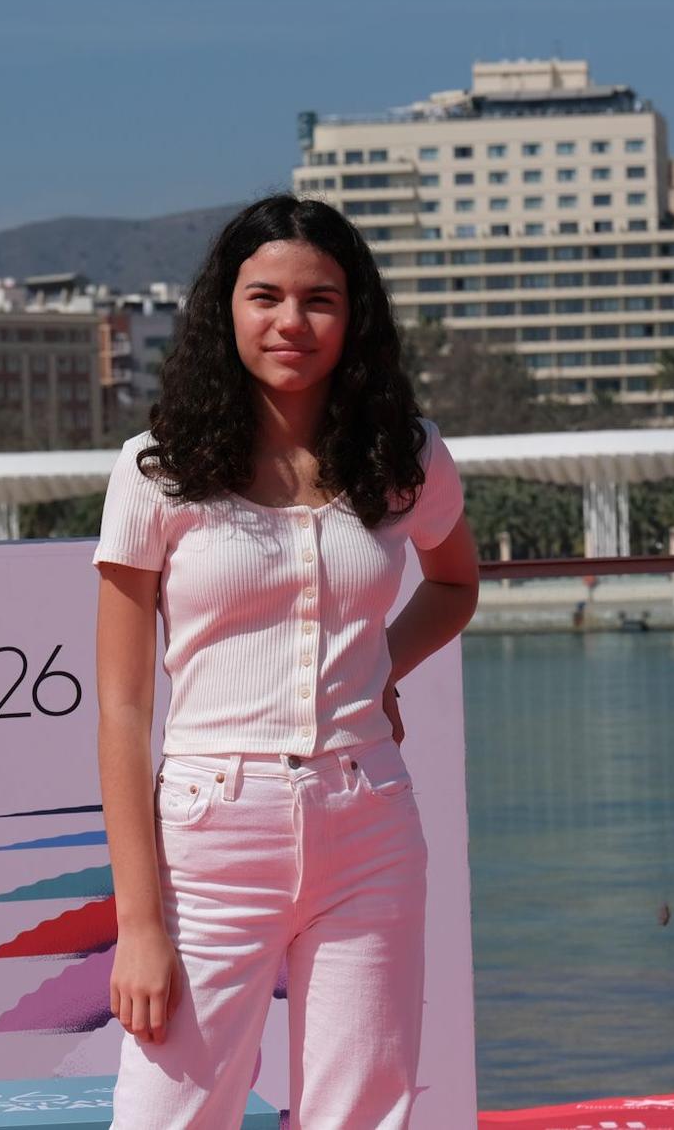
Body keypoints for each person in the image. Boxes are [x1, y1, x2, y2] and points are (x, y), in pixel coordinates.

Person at [93, 194, 479, 1129]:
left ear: (356, 318)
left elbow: (456, 584)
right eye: (265, 295)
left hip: (369, 823)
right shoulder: (158, 471)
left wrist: (379, 668)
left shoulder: (406, 456)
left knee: (361, 1116)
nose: (291, 322)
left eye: (321, 300)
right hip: (209, 836)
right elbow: (122, 711)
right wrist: (140, 923)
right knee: (166, 1116)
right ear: (225, 308)